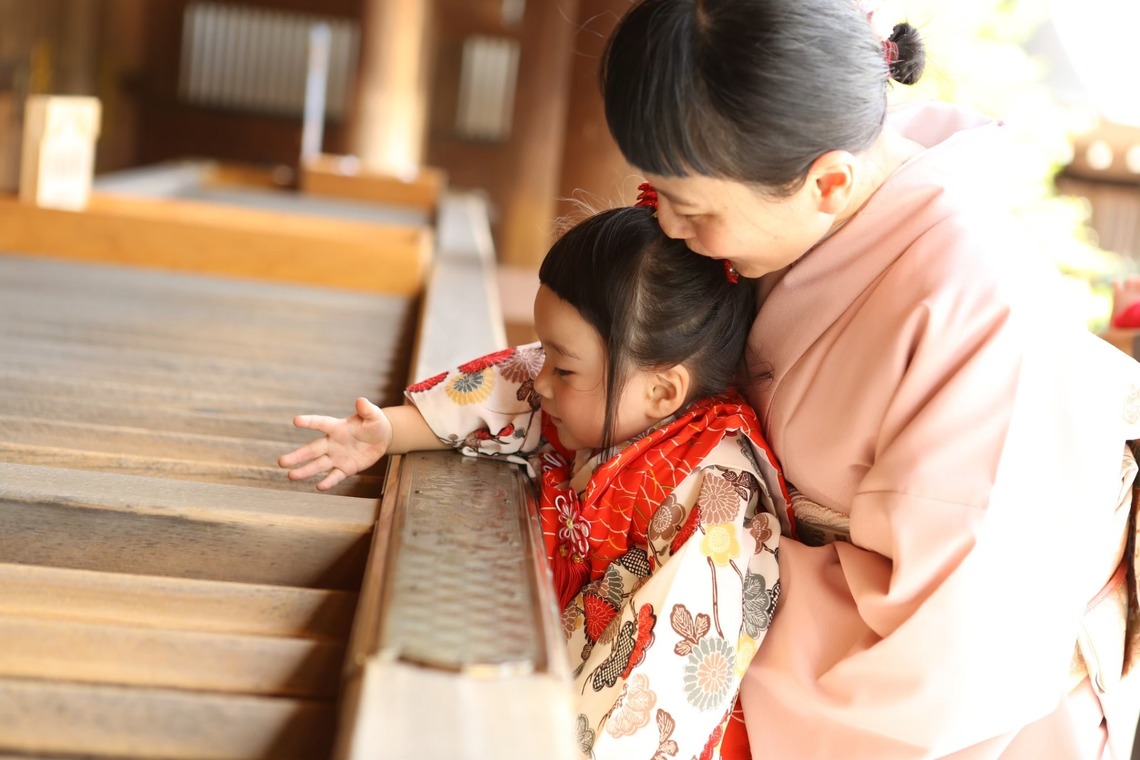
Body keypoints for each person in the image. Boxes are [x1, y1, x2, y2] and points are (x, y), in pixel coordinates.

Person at [598, 0, 1140, 758]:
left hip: (927, 710)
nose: (668, 228)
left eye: (689, 208)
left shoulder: (978, 303)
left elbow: (951, 656)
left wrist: (678, 572)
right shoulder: (808, 220)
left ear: (827, 181)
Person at [279, 201, 788, 759]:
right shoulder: (614, 396)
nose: (542, 383)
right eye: (545, 355)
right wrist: (388, 433)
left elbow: (654, 673)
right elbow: (510, 383)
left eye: (563, 368)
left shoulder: (715, 493)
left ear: (664, 391)